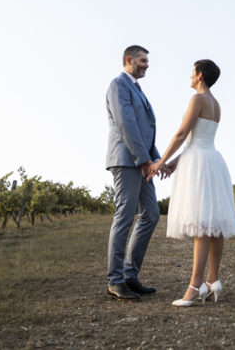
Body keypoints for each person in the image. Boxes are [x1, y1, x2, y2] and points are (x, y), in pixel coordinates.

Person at [148, 59, 235, 307]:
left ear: (199, 75)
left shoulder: (197, 99)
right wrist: (174, 163)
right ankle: (213, 281)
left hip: (199, 163)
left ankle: (194, 286)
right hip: (211, 159)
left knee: (202, 225)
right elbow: (196, 140)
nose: (189, 76)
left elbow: (182, 133)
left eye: (192, 71)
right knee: (214, 225)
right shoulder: (216, 104)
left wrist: (160, 161)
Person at [105, 45, 161, 300]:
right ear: (129, 59)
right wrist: (143, 160)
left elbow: (144, 127)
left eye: (147, 61)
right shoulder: (119, 85)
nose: (147, 64)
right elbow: (127, 125)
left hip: (143, 160)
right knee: (125, 215)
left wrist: (156, 159)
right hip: (128, 160)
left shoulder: (137, 89)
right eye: (143, 60)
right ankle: (115, 281)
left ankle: (130, 275)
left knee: (150, 213)